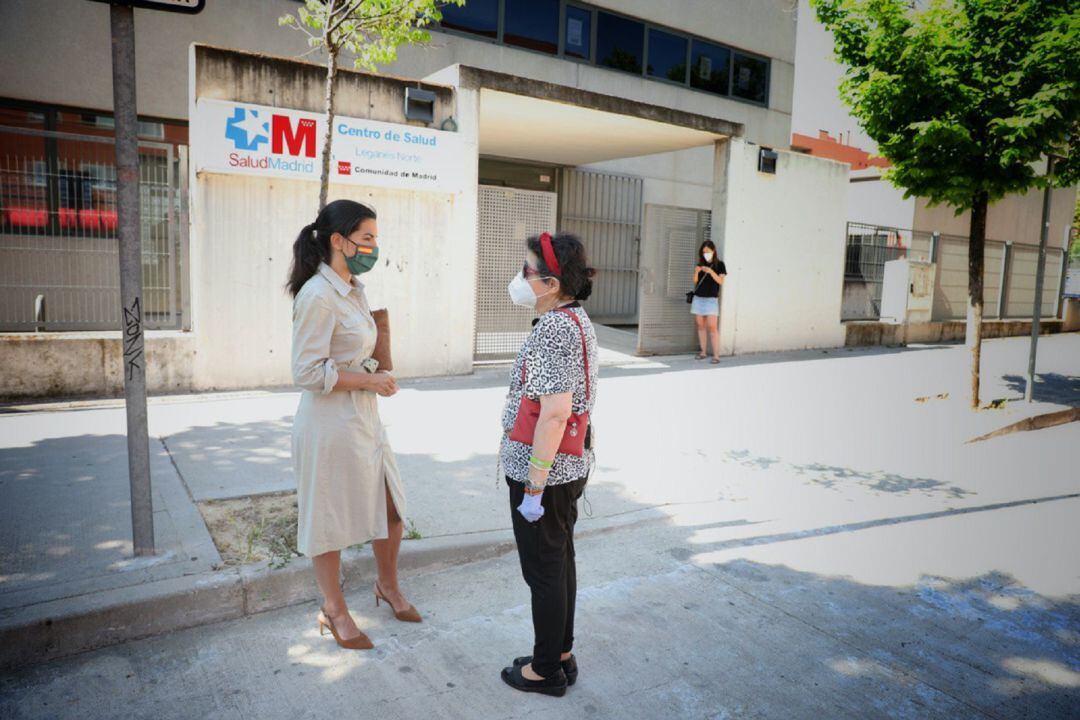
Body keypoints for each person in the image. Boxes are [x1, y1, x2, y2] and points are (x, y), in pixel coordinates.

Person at [287, 199, 420, 652]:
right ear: (338, 241)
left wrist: (374, 372)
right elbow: (306, 372)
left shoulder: (353, 288)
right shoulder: (317, 296)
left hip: (364, 418)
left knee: (391, 508)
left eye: (376, 239)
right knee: (327, 521)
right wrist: (369, 378)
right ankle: (334, 609)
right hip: (328, 425)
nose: (373, 247)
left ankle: (388, 585)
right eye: (367, 238)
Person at [499, 232, 599, 697]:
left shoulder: (553, 329)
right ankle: (559, 654)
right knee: (559, 563)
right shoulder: (575, 320)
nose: (520, 279)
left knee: (543, 570)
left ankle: (546, 671)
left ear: (552, 283)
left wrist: (534, 487)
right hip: (568, 470)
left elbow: (555, 411)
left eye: (527, 272)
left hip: (546, 474)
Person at [690, 240, 727, 363]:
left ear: (713, 250)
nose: (706, 254)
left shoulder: (720, 265)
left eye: (708, 251)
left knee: (712, 327)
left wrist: (710, 272)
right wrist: (697, 271)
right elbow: (695, 281)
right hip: (699, 299)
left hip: (711, 300)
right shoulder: (700, 264)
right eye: (703, 252)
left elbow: (720, 281)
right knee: (700, 325)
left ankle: (716, 356)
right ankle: (703, 352)